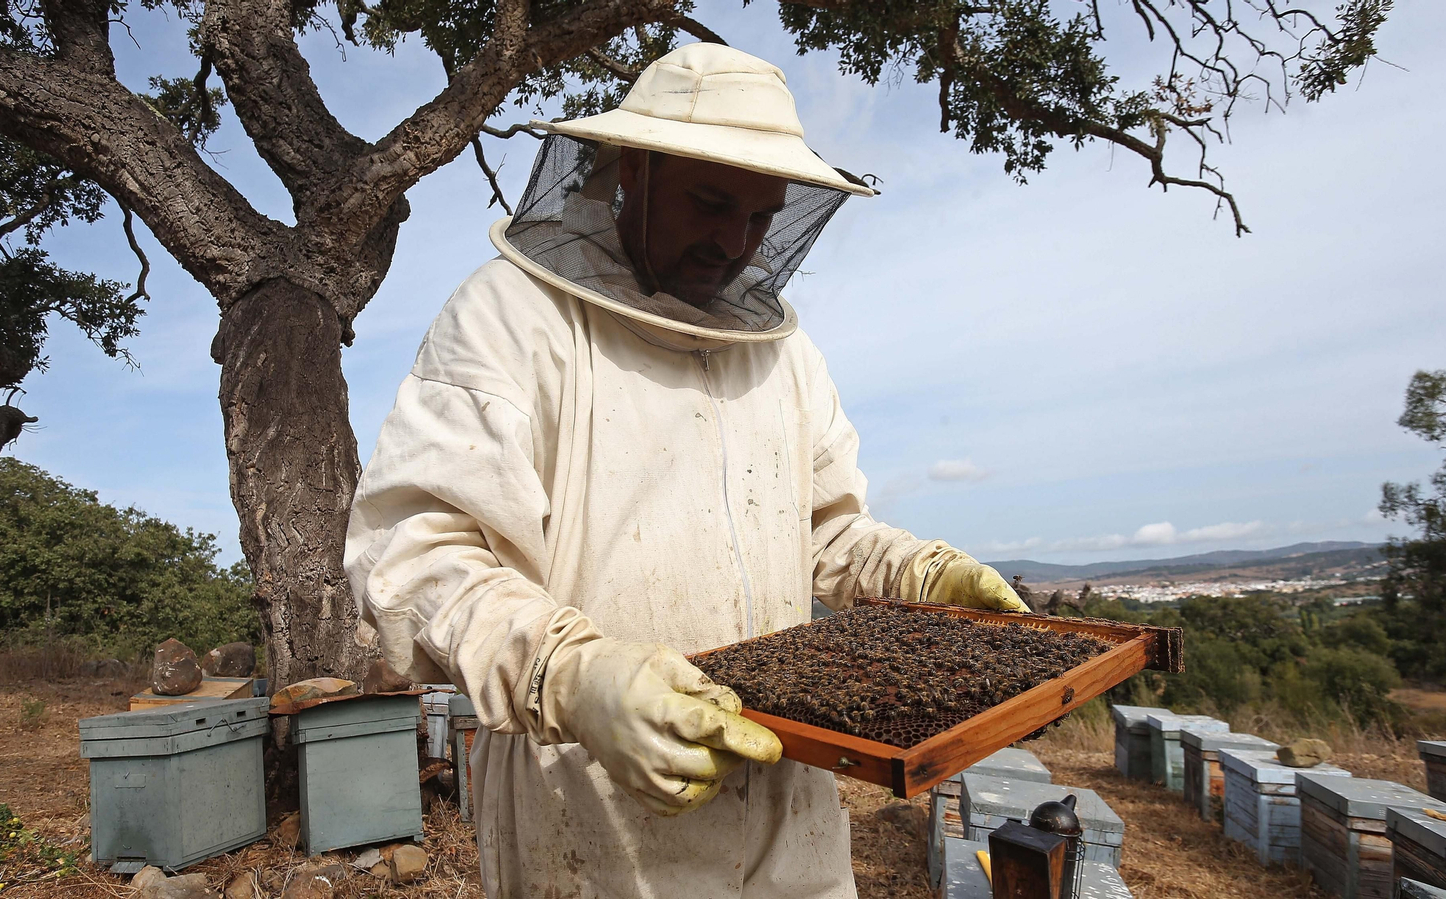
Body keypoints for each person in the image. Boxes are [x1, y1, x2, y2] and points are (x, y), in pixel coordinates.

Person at [345, 42, 1028, 899]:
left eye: (759, 218)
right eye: (710, 204)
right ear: (634, 169)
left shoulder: (784, 355)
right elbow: (416, 553)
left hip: (791, 824)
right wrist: (573, 675)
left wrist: (918, 573)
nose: (735, 242)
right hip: (590, 823)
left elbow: (822, 529)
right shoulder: (510, 318)